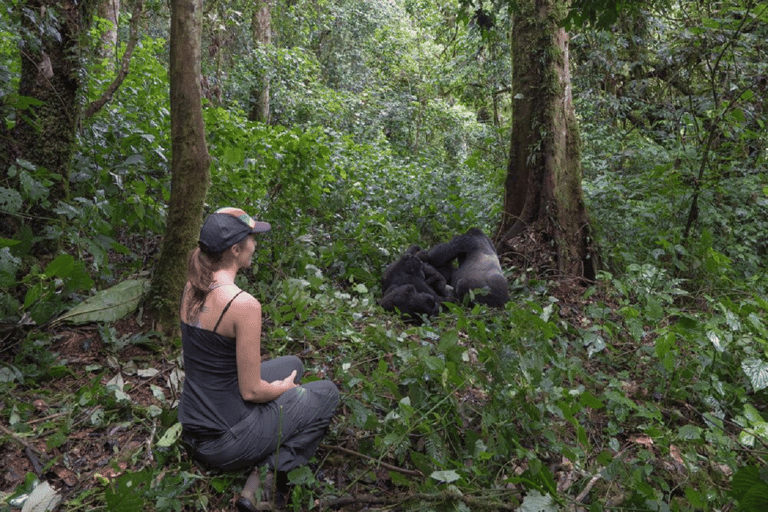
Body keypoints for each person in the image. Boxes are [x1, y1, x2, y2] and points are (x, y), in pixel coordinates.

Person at [178, 207, 340, 511]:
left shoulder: (192, 287)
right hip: (223, 442)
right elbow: (251, 391)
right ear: (236, 249)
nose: (255, 243)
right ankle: (264, 478)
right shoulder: (242, 304)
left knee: (294, 363)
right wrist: (284, 389)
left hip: (193, 424)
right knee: (326, 393)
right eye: (251, 237)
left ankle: (261, 464)